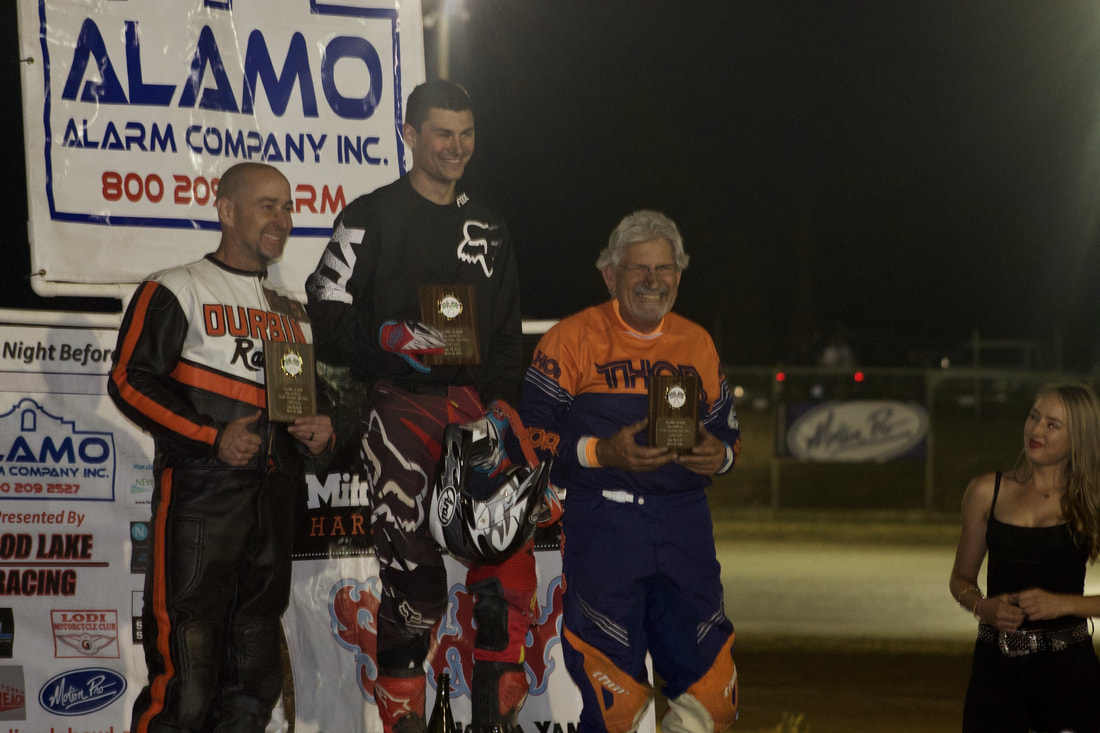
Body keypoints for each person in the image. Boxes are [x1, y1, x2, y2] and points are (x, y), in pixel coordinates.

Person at [305, 80, 533, 733]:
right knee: (414, 573)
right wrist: (387, 338)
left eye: (466, 134)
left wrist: (501, 406)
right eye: (442, 134)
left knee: (505, 557)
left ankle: (494, 704)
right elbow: (324, 309)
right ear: (409, 135)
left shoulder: (489, 223)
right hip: (398, 405)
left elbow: (507, 331)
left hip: (474, 408)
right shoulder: (369, 215)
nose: (456, 147)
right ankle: (402, 709)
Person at [108, 162, 335, 733]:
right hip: (201, 503)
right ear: (227, 211)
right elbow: (129, 380)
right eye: (267, 205)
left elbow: (312, 401)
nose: (282, 219)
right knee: (186, 684)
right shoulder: (176, 287)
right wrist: (210, 437)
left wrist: (322, 428)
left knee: (253, 685)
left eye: (288, 207)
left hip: (273, 507)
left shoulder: (292, 310)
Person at [519, 210, 741, 733]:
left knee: (714, 700)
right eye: (639, 268)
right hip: (606, 528)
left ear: (679, 276)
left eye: (664, 268)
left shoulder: (697, 342)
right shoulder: (571, 338)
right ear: (609, 274)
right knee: (613, 706)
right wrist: (602, 453)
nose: (652, 280)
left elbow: (728, 435)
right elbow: (527, 437)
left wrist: (721, 456)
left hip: (685, 524)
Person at [949, 381, 1100, 732]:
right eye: (1034, 417)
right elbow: (960, 579)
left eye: (1052, 425)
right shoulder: (986, 492)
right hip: (995, 669)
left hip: (1068, 672)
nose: (1036, 430)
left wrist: (1062, 605)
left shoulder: (1091, 500)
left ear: (1078, 438)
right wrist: (982, 607)